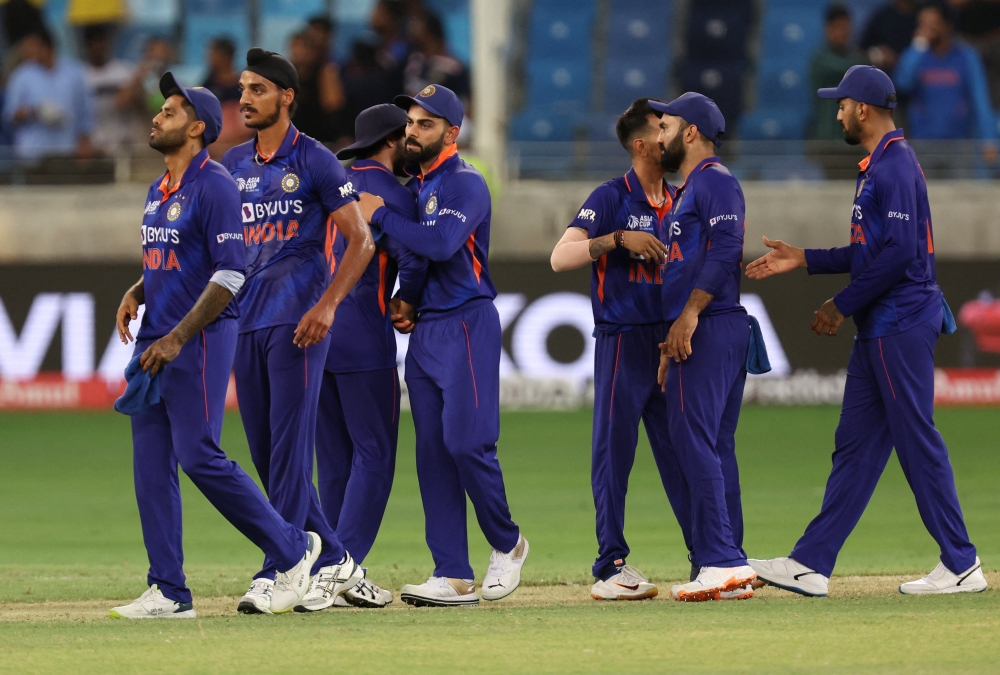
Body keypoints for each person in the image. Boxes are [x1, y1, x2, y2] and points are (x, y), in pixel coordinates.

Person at [745, 65, 987, 597]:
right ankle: (811, 564)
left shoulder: (895, 165)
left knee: (915, 438)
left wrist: (842, 303)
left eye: (842, 104)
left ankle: (961, 562)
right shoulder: (877, 166)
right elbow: (870, 251)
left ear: (865, 108)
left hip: (900, 320)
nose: (837, 113)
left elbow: (900, 255)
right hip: (883, 321)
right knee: (854, 446)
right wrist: (803, 258)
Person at [109, 74, 321, 619]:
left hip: (199, 338)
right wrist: (137, 290)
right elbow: (176, 257)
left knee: (199, 455)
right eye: (160, 110)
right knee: (150, 463)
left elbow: (231, 274)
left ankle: (294, 547)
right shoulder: (159, 189)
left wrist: (180, 336)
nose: (158, 117)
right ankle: (169, 591)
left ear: (197, 127)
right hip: (158, 338)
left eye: (172, 112)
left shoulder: (217, 185)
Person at [358, 85, 528, 607]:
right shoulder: (421, 185)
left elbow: (437, 244)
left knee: (466, 443)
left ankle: (507, 543)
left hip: (467, 324)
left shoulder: (466, 183)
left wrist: (379, 213)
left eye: (425, 124)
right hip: (428, 329)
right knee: (431, 454)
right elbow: (419, 259)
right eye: (410, 122)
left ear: (451, 133)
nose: (412, 131)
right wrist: (406, 299)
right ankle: (452, 571)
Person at [222, 48, 377, 614]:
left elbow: (362, 240)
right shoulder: (233, 164)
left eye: (258, 89)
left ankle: (279, 567)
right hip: (244, 322)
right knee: (265, 454)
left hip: (299, 324)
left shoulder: (315, 160)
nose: (245, 99)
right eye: (242, 89)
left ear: (286, 96)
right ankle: (335, 559)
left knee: (289, 452)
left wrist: (329, 306)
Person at [549, 98, 688, 601]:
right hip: (622, 340)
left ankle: (706, 559)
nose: (672, 136)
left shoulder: (680, 198)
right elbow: (560, 257)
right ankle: (610, 567)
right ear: (641, 144)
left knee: (684, 453)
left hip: (671, 343)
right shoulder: (610, 197)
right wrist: (616, 239)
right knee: (614, 454)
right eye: (662, 129)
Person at [313, 103, 427, 608]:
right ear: (391, 141)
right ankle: (342, 568)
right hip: (362, 333)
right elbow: (415, 256)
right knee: (375, 455)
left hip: (311, 333)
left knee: (333, 459)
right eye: (405, 134)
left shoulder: (326, 183)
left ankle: (326, 567)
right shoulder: (393, 193)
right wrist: (409, 298)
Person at [650, 92, 757, 602]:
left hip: (710, 324)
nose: (658, 136)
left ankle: (720, 559)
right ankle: (730, 564)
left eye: (666, 126)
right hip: (709, 326)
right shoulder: (695, 187)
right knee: (714, 445)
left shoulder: (713, 180)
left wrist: (688, 316)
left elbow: (728, 251)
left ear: (691, 132)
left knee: (694, 439)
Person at [893, 2, 998, 166]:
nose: (927, 29)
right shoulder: (917, 54)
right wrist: (918, 46)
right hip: (923, 144)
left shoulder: (967, 57)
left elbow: (980, 100)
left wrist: (989, 140)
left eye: (932, 23)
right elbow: (902, 83)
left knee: (961, 191)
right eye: (922, 24)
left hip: (959, 144)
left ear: (947, 26)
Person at [2, 27, 95, 160]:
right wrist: (34, 111)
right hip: (32, 154)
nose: (28, 51)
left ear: (46, 47)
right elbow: (10, 115)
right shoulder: (22, 75)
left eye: (33, 46)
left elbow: (85, 114)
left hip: (66, 150)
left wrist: (84, 144)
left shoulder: (74, 73)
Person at [81, 23, 141, 156]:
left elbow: (123, 103)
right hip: (94, 148)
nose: (98, 47)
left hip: (123, 144)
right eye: (93, 43)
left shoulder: (123, 71)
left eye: (101, 42)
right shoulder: (81, 75)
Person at [811, 6, 866, 141]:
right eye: (839, 27)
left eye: (847, 27)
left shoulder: (853, 57)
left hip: (853, 136)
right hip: (828, 137)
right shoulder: (820, 59)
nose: (844, 32)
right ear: (828, 29)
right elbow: (849, 68)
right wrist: (872, 57)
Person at [288, 31, 348, 144]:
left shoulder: (325, 73)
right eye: (293, 46)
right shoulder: (288, 76)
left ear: (314, 51)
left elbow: (334, 106)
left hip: (322, 138)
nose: (296, 51)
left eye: (302, 47)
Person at [404, 12, 470, 110]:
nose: (412, 27)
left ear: (429, 29)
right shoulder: (413, 59)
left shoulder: (452, 66)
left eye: (418, 23)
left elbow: (466, 98)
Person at [201, 37, 252, 154]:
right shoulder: (207, 85)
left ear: (226, 57)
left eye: (214, 53)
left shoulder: (244, 87)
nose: (209, 57)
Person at [861, 0, 920, 71]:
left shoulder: (923, 15)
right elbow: (861, 50)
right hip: (884, 72)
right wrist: (877, 53)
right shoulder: (882, 16)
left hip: (918, 73)